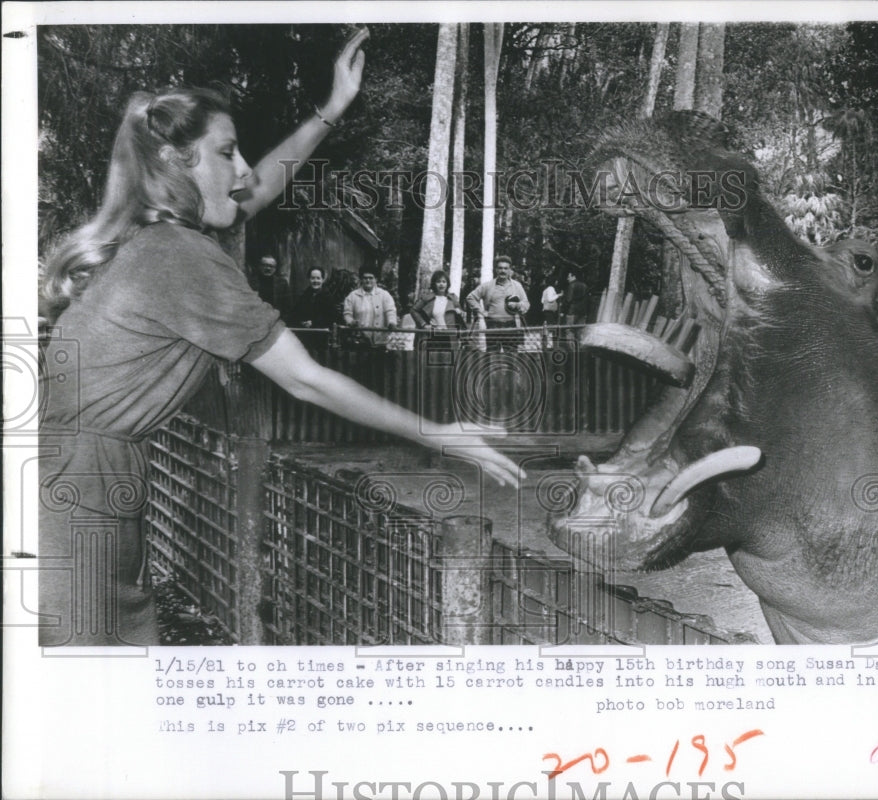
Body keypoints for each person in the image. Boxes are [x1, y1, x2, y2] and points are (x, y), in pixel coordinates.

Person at [37, 29, 521, 647]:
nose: (243, 170)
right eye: (228, 152)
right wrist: (436, 431)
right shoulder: (180, 258)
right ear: (174, 164)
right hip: (79, 490)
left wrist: (332, 108)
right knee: (91, 691)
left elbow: (253, 190)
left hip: (81, 475)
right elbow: (305, 378)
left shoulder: (150, 237)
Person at [465, 255, 530, 352]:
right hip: (492, 325)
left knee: (511, 357)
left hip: (511, 326)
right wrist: (481, 311)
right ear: (496, 270)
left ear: (509, 270)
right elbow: (470, 297)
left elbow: (526, 303)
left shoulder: (517, 286)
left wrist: (518, 305)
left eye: (505, 268)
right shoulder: (487, 286)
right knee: (492, 357)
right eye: (500, 268)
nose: (502, 271)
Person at [342, 268, 399, 348]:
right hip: (359, 340)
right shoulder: (353, 296)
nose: (368, 280)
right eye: (365, 278)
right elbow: (347, 314)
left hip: (380, 341)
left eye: (371, 278)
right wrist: (351, 322)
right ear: (361, 280)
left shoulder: (384, 295)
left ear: (376, 279)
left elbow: (390, 311)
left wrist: (391, 322)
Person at [411, 270, 466, 342]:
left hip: (449, 336)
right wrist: (423, 324)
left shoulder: (453, 299)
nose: (441, 284)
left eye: (444, 282)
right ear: (434, 284)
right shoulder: (427, 298)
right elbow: (413, 310)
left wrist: (460, 312)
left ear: (447, 284)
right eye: (438, 282)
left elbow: (461, 317)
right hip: (432, 335)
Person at [248, 254, 292, 320]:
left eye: (271, 266)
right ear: (260, 266)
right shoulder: (250, 282)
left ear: (275, 268)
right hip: (256, 320)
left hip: (276, 321)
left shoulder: (282, 283)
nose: (268, 268)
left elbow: (287, 306)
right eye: (265, 265)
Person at [540, 270, 562, 348]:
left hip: (545, 310)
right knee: (552, 328)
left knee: (546, 327)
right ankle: (552, 345)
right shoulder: (551, 289)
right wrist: (558, 295)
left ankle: (544, 344)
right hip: (550, 311)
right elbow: (550, 299)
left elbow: (542, 301)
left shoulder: (545, 290)